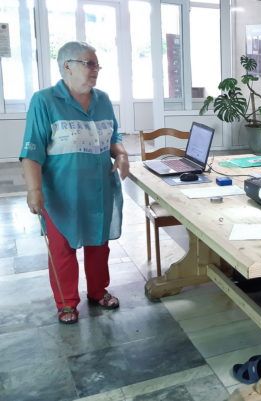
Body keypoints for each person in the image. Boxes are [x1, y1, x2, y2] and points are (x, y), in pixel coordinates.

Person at [19, 41, 128, 325]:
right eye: (89, 63)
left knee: (98, 244)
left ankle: (98, 290)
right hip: (61, 193)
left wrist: (121, 154)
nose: (95, 70)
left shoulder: (103, 100)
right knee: (62, 248)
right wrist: (34, 190)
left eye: (97, 64)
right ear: (67, 66)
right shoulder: (44, 101)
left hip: (99, 189)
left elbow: (114, 136)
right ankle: (67, 302)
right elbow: (31, 150)